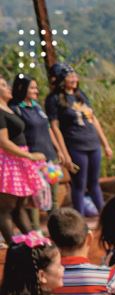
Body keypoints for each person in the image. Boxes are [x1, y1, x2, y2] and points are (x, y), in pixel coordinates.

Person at [45, 63, 112, 216]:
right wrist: (64, 153)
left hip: (92, 143)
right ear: (62, 79)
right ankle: (79, 219)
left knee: (94, 183)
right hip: (75, 145)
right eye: (70, 76)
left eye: (75, 75)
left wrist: (105, 144)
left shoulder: (80, 95)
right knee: (79, 184)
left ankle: (104, 216)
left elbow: (93, 120)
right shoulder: (54, 99)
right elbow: (55, 127)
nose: (74, 78)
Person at [0, 75, 45, 244]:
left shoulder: (9, 108)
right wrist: (30, 156)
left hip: (18, 160)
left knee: (19, 206)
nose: (8, 87)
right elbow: (3, 142)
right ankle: (14, 248)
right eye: (3, 85)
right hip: (8, 161)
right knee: (5, 208)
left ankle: (34, 243)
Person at [11, 74, 60, 224]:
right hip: (33, 160)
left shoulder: (37, 107)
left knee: (54, 197)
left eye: (36, 87)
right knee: (35, 199)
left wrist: (59, 149)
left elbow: (48, 129)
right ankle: (36, 232)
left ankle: (58, 227)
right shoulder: (16, 109)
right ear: (22, 88)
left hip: (50, 158)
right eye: (32, 87)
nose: (35, 90)